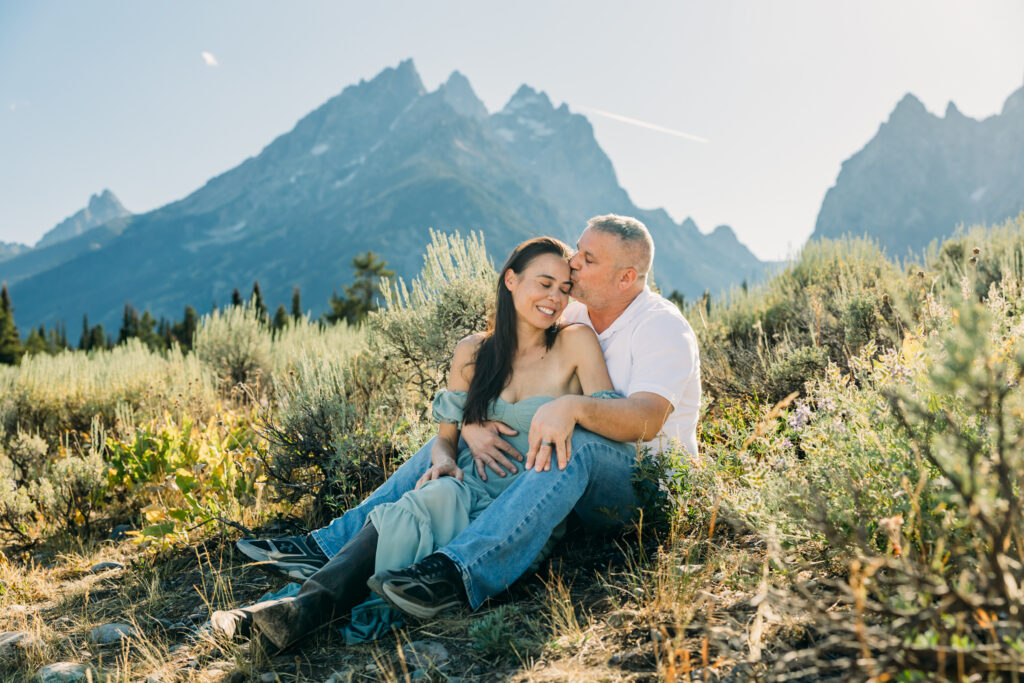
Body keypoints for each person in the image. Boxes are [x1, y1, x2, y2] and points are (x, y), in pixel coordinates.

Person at [235, 214, 700, 622]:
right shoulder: (576, 309)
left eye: (588, 258)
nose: (573, 265)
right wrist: (473, 420)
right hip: (563, 485)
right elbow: (513, 356)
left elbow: (645, 421)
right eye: (576, 253)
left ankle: (457, 573)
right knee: (449, 443)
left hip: (641, 485)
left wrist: (573, 407)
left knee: (574, 439)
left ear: (627, 277)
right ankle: (329, 545)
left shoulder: (660, 326)